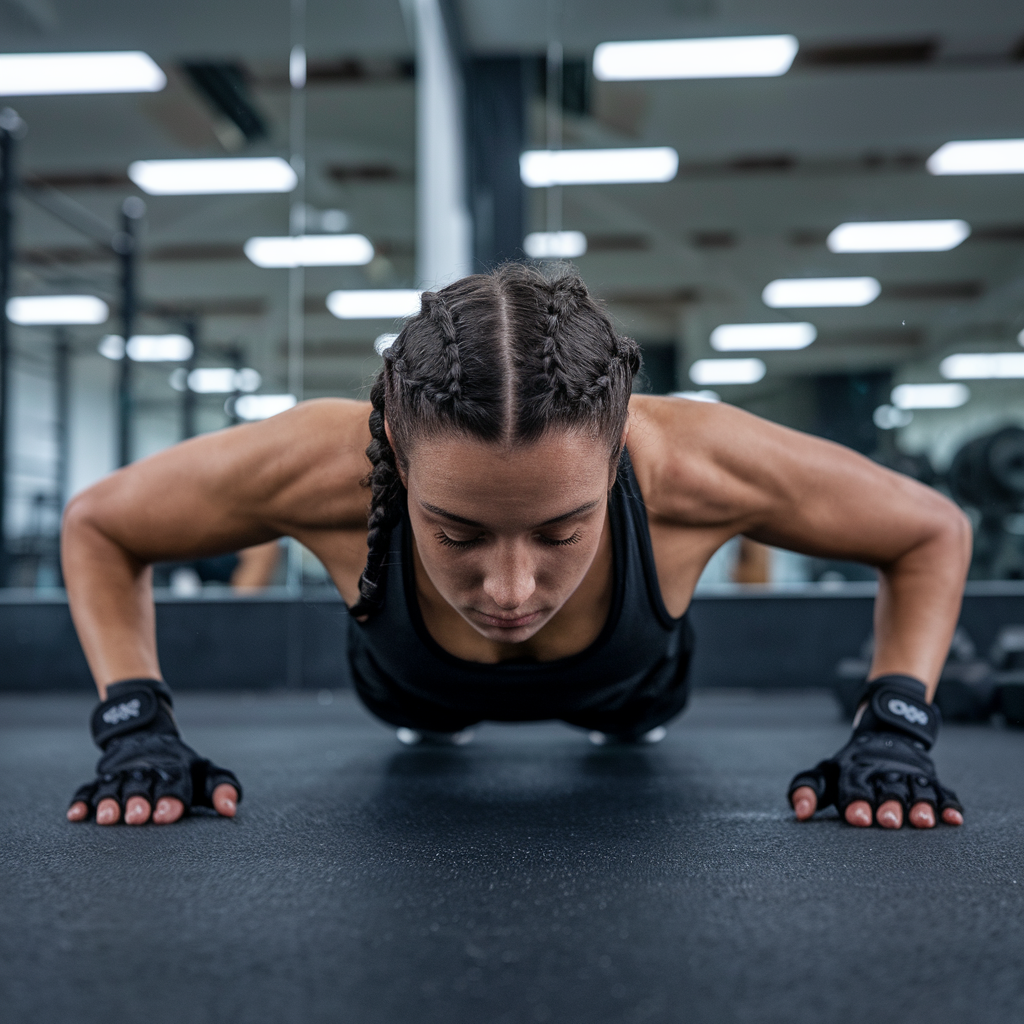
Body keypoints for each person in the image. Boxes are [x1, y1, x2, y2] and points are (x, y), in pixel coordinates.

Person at [62, 263, 969, 831]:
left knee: (628, 722)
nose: (509, 586)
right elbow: (102, 524)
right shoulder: (325, 465)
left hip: (632, 693)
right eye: (455, 532)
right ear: (397, 458)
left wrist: (894, 726)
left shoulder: (696, 462)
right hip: (413, 692)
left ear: (618, 457)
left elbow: (930, 530)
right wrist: (134, 723)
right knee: (428, 720)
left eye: (562, 529)